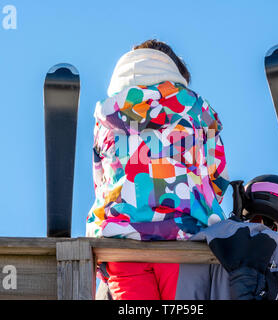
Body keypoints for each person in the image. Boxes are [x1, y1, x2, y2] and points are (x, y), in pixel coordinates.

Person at [87, 39, 229, 300]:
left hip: (120, 242)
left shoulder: (104, 117)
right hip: (182, 240)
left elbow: (101, 183)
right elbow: (217, 177)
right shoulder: (197, 110)